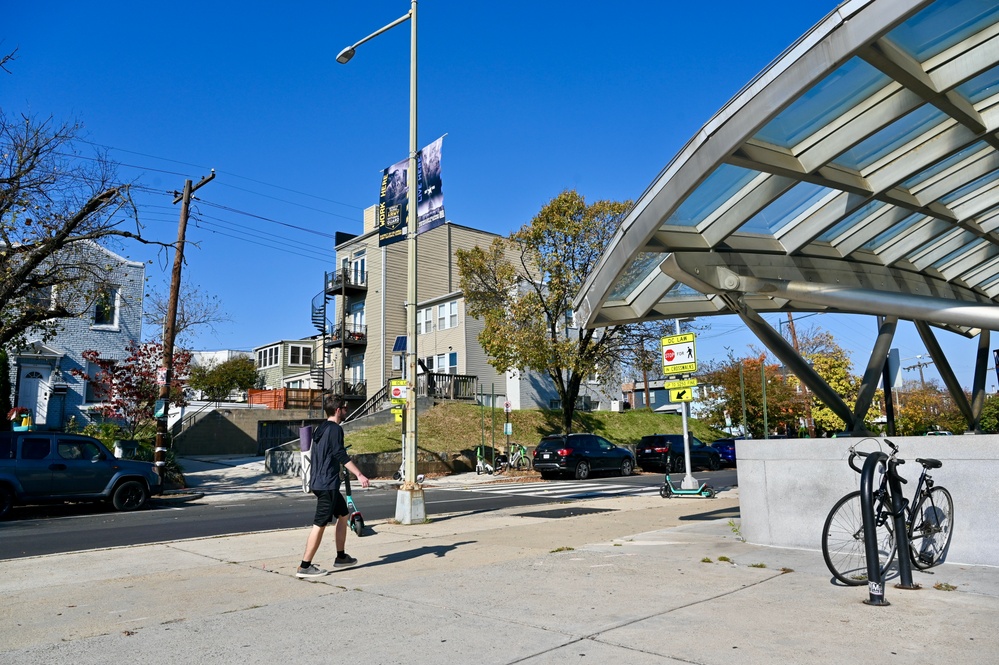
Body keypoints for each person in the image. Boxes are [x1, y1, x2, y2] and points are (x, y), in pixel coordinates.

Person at [297, 395, 370, 579]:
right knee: (319, 524)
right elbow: (339, 454)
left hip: (320, 482)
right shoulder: (336, 429)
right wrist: (359, 474)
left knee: (343, 515)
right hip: (327, 484)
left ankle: (341, 556)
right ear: (338, 410)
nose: (346, 411)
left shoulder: (321, 428)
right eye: (344, 408)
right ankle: (305, 566)